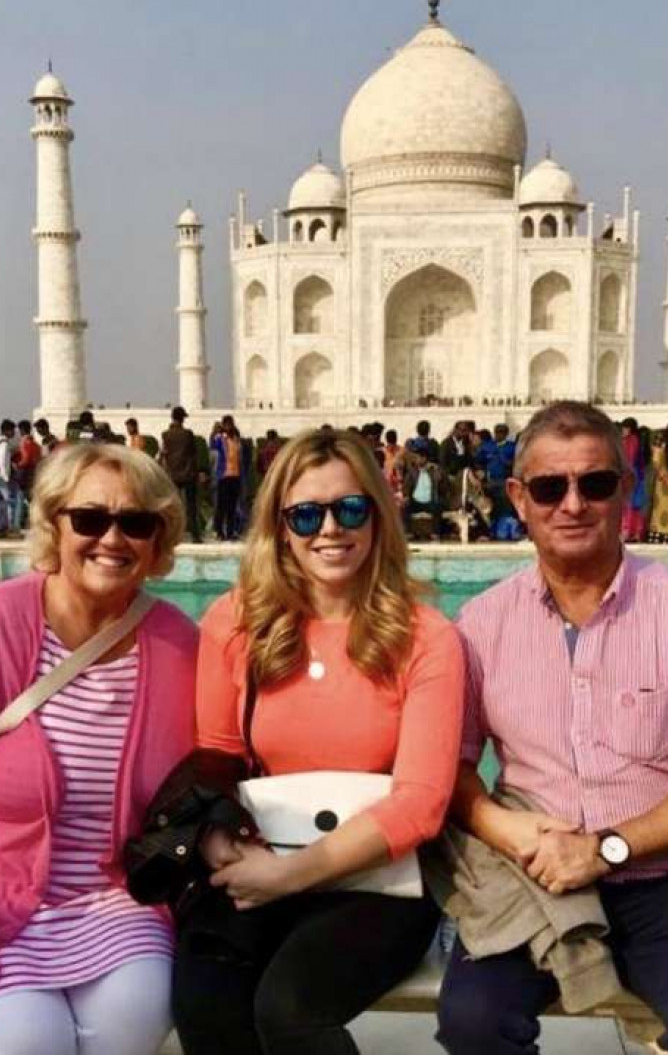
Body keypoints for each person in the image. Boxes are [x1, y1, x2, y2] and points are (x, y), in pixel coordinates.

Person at [437, 401, 668, 1055]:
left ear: (623, 490)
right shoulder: (481, 624)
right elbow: (449, 769)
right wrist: (504, 829)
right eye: (548, 487)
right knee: (472, 1024)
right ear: (518, 497)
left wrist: (604, 848)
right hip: (534, 878)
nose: (571, 504)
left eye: (593, 483)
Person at [0, 443, 195, 1055]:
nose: (112, 538)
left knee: (140, 1008)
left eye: (135, 523)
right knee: (25, 1039)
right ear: (54, 524)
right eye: (90, 518)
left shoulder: (176, 643)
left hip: (114, 903)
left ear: (158, 540)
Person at [173, 428, 464, 1055]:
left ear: (378, 515)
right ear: (281, 526)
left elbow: (420, 803)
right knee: (208, 1000)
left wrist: (293, 877)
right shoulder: (237, 620)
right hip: (261, 853)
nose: (328, 529)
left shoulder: (424, 636)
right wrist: (220, 843)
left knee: (292, 1010)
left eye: (349, 509)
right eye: (306, 514)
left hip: (376, 880)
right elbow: (217, 753)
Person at [161, 406, 205, 541]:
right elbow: (193, 454)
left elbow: (164, 453)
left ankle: (172, 536)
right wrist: (199, 472)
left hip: (172, 474)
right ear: (182, 419)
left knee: (173, 507)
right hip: (188, 474)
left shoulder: (166, 434)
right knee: (191, 507)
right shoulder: (187, 434)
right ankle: (195, 536)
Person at [402, 443, 447, 538]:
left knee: (437, 507)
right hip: (416, 501)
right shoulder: (412, 471)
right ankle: (408, 532)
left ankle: (435, 533)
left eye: (417, 457)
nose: (415, 460)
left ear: (424, 458)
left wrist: (438, 474)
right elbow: (406, 486)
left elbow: (443, 486)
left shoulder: (434, 470)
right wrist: (406, 496)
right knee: (405, 507)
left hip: (430, 501)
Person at [211, 416, 245, 540]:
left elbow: (240, 457)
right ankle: (220, 532)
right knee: (221, 506)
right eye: (227, 425)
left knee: (232, 507)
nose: (229, 427)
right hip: (223, 476)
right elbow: (213, 446)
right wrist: (216, 432)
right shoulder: (220, 439)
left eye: (230, 424)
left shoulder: (236, 439)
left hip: (235, 476)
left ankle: (230, 532)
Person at [619, 418, 647, 542]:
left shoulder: (630, 441)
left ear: (630, 429)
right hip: (636, 475)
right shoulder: (637, 440)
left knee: (628, 505)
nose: (623, 430)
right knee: (635, 506)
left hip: (629, 475)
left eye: (625, 428)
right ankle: (636, 532)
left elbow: (628, 459)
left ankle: (627, 531)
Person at [0, 419, 20, 534]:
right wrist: (5, 477)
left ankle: (0, 526)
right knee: (9, 501)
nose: (14, 433)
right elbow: (1, 461)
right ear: (7, 431)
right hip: (2, 477)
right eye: (12, 430)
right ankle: (10, 525)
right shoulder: (3, 444)